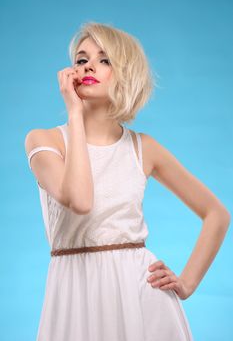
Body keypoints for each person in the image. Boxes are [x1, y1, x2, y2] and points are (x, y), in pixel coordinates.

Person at [25, 22, 231, 341]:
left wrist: (187, 283)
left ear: (125, 74)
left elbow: (217, 214)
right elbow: (80, 200)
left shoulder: (142, 148)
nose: (89, 65)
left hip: (141, 293)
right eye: (81, 59)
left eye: (105, 59)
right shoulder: (45, 141)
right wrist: (75, 116)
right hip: (74, 291)